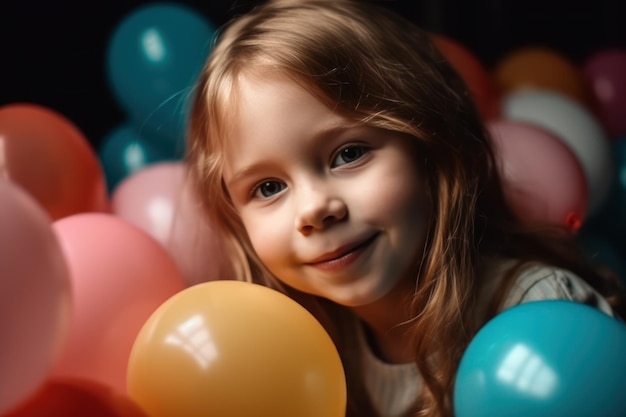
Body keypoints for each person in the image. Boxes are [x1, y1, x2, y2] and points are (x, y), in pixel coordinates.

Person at [185, 1, 626, 416]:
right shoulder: (298, 354)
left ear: (428, 145)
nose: (315, 209)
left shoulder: (542, 315)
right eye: (268, 187)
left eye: (348, 153)